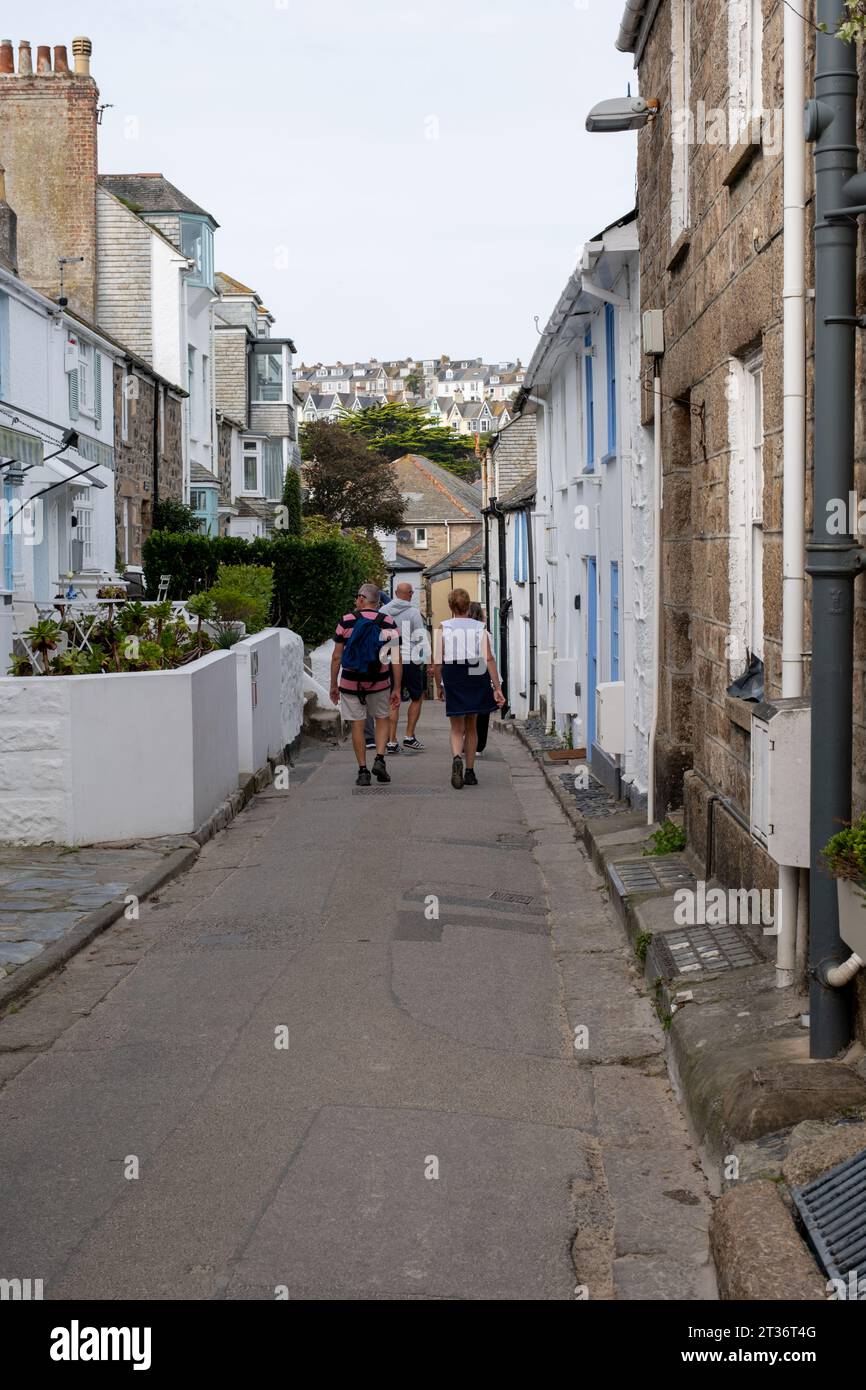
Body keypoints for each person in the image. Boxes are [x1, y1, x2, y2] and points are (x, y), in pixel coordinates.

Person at [330, 582, 402, 786]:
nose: (355, 600)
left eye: (356, 597)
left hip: (351, 682)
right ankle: (379, 758)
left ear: (362, 599)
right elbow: (395, 658)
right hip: (379, 682)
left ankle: (363, 771)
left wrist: (333, 685)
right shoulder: (387, 621)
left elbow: (337, 657)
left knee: (358, 725)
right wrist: (396, 688)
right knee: (382, 719)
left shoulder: (346, 621)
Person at [433, 587, 505, 790]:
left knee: (457, 727)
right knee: (472, 725)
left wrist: (439, 685)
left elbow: (438, 662)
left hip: (453, 673)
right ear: (468, 604)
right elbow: (488, 658)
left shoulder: (443, 627)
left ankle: (457, 757)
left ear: (450, 606)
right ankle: (470, 771)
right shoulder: (478, 627)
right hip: (476, 671)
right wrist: (497, 687)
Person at [380, 582, 428, 753]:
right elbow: (420, 638)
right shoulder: (414, 612)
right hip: (410, 659)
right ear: (409, 594)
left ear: (395, 593)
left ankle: (391, 741)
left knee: (393, 698)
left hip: (390, 659)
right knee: (417, 697)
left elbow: (380, 636)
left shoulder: (383, 611)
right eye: (411, 592)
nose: (412, 594)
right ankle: (409, 736)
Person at [468, 601, 491, 757]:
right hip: (481, 673)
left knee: (466, 711)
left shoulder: (456, 632)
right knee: (482, 712)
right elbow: (491, 657)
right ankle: (478, 746)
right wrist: (497, 683)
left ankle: (465, 742)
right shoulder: (485, 634)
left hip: (462, 674)